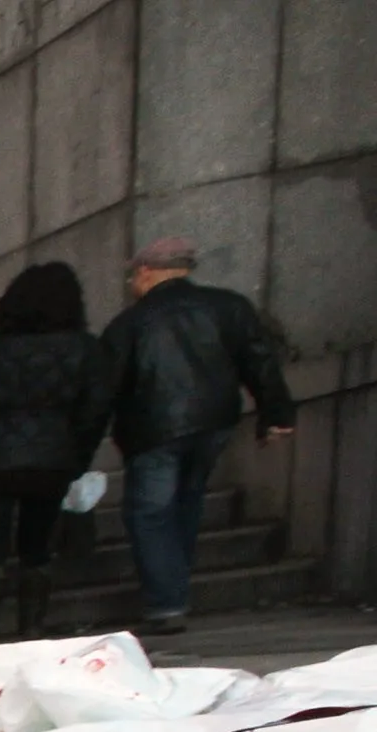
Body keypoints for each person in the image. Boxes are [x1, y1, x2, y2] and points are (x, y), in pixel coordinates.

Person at [101, 236, 295, 636]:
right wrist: (276, 413)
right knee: (186, 504)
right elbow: (259, 362)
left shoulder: (129, 323)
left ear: (145, 272)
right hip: (214, 423)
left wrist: (83, 441)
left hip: (152, 429)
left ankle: (166, 602)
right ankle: (173, 590)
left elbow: (104, 387)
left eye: (132, 276)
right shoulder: (230, 306)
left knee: (150, 513)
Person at [0, 261, 118, 645]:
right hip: (50, 461)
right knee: (36, 547)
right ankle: (32, 629)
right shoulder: (85, 349)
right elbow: (96, 408)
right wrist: (76, 456)